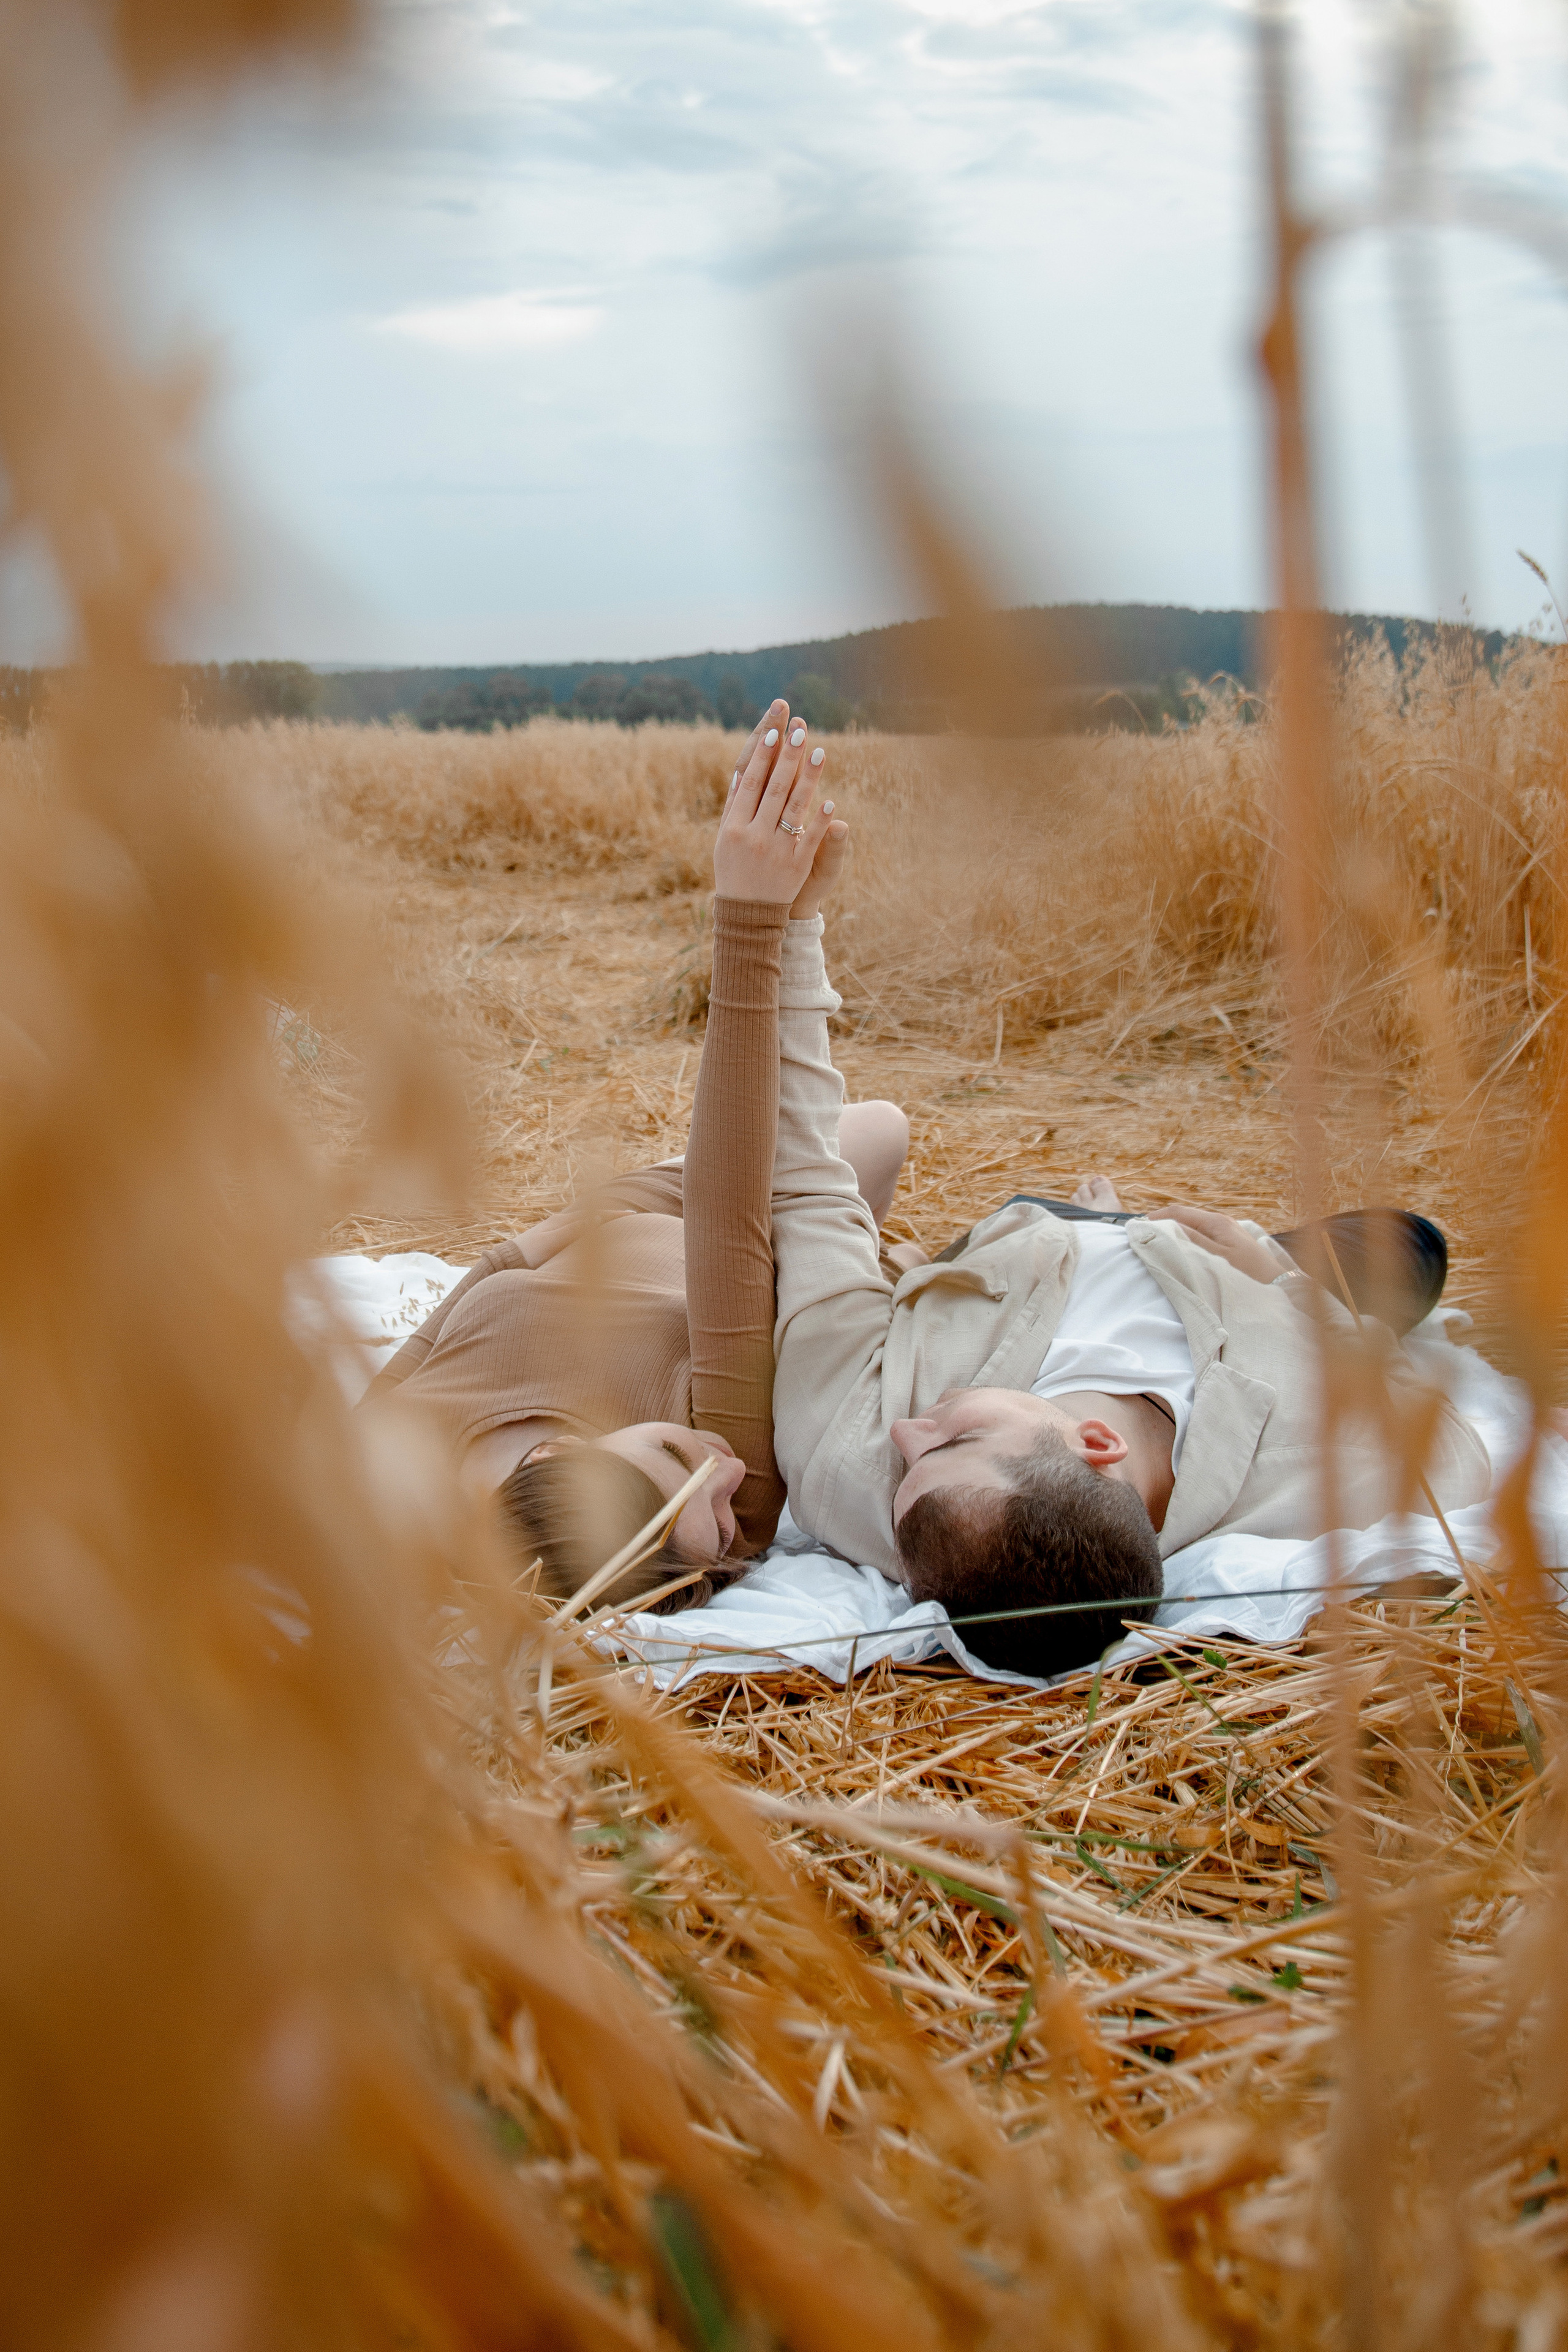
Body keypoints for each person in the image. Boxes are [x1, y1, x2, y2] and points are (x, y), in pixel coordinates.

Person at [766, 915, 1492, 1680]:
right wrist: (1279, 1278)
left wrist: (791, 921)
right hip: (1220, 1270)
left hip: (1029, 1246)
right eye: (949, 1443)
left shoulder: (853, 1477)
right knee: (1414, 1248)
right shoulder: (1331, 1469)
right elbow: (1453, 1449)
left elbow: (809, 1185)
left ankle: (1080, 1218)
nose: (907, 1432)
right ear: (1095, 1443)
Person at [365, 701, 906, 1613]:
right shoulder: (741, 1490)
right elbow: (730, 1225)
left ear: (555, 1460)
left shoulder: (390, 1451)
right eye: (721, 1534)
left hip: (642, 1210)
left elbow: (498, 1265)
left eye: (676, 1459)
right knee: (881, 1133)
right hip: (755, 1262)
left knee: (872, 1129)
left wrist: (627, 1206)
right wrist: (754, 918)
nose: (729, 1476)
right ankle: (873, 1249)